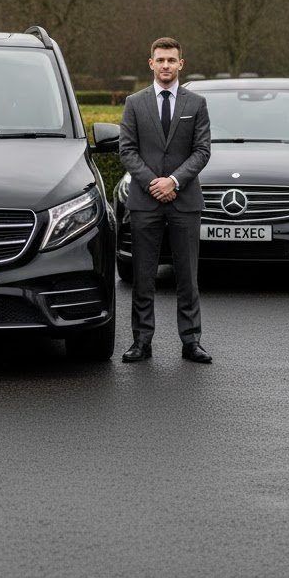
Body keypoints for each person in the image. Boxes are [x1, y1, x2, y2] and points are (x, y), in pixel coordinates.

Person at [118, 37, 212, 363]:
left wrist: (173, 181)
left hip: (185, 201)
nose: (166, 66)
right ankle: (141, 342)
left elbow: (202, 151)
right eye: (161, 60)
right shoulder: (134, 103)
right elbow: (126, 151)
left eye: (172, 60)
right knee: (143, 277)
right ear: (151, 63)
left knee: (187, 276)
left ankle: (191, 342)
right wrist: (153, 184)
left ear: (181, 64)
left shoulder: (196, 104)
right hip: (145, 203)